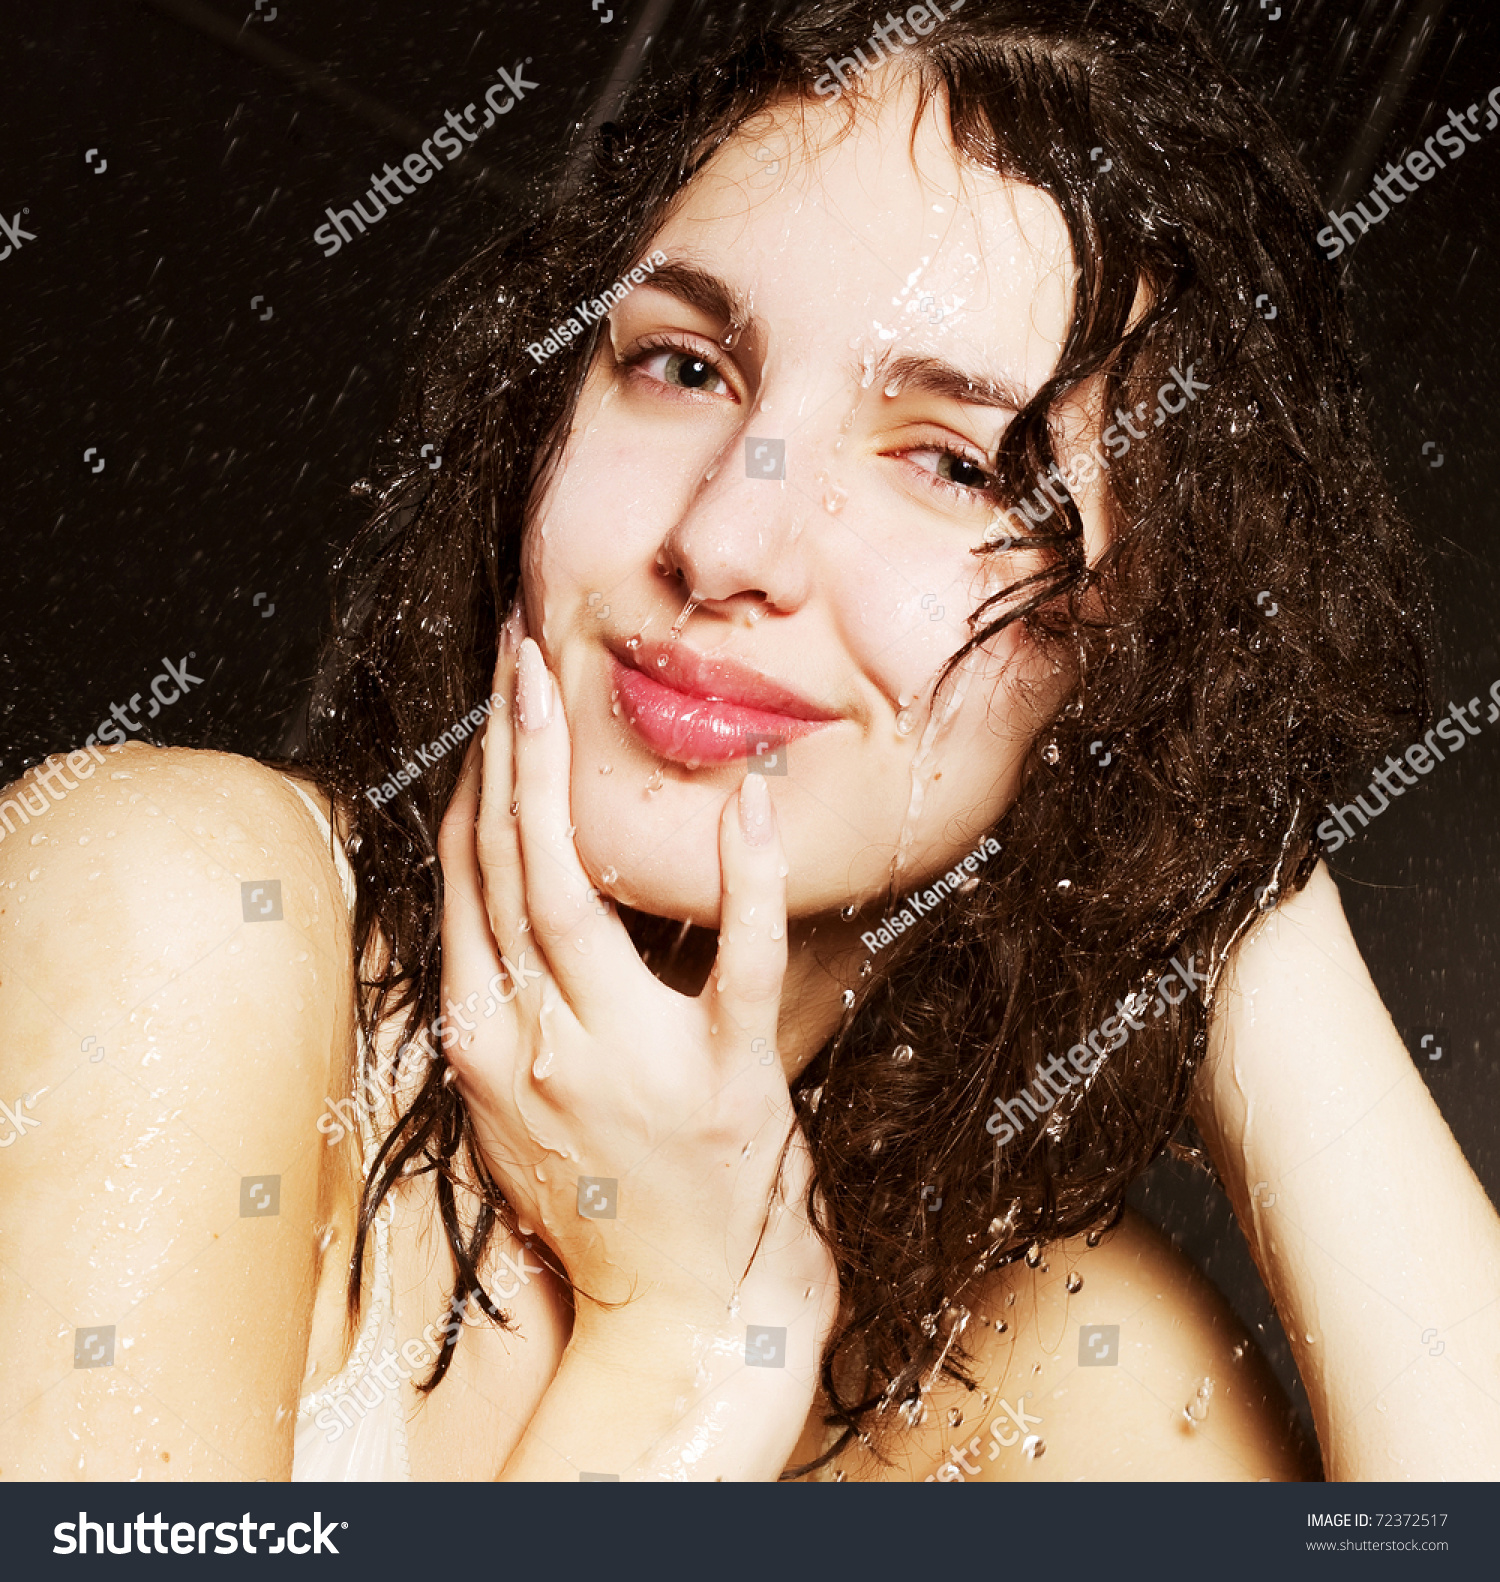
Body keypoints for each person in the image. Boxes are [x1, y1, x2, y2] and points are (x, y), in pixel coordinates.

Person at [3, 0, 1498, 1482]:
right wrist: (689, 1353)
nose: (723, 537)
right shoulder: (180, 915)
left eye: (957, 465)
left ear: (1138, 656)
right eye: (684, 366)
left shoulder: (1040, 1364)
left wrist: (1229, 850)